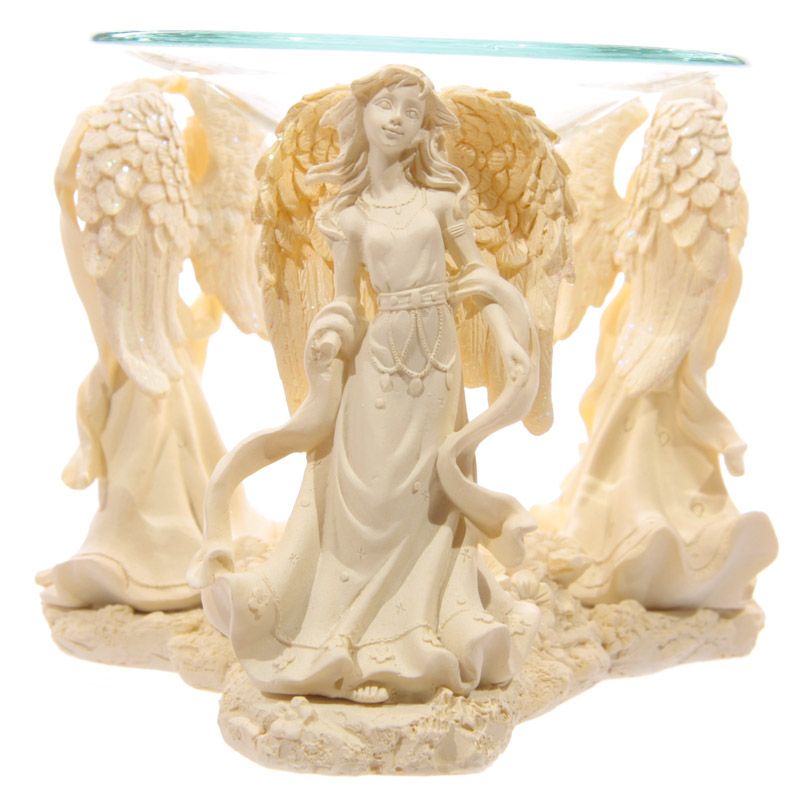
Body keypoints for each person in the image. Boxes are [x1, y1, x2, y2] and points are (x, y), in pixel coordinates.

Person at [190, 65, 541, 703]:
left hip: (437, 360)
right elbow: (345, 301)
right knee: (370, 497)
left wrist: (508, 336)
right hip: (379, 361)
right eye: (386, 104)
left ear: (423, 129)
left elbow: (480, 277)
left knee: (428, 494)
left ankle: (417, 625)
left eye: (411, 110)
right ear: (364, 115)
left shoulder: (441, 201)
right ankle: (348, 631)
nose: (397, 118)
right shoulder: (347, 214)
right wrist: (330, 335)